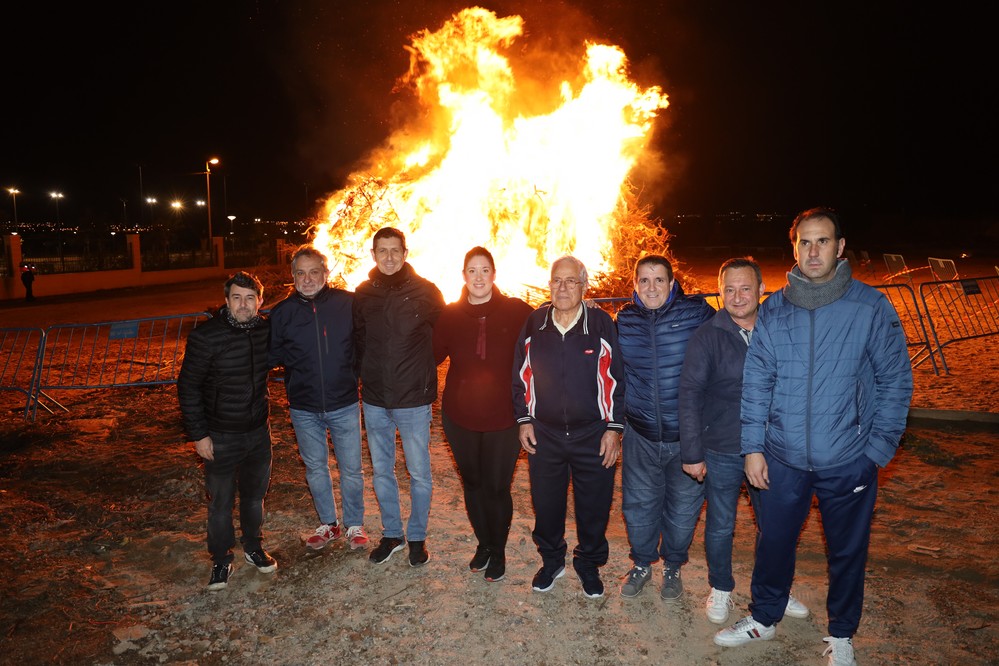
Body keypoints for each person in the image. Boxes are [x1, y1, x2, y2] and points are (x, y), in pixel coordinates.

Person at [714, 208, 912, 666]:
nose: (813, 250)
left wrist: (877, 451)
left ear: (840, 246)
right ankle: (764, 617)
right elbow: (757, 381)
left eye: (823, 241)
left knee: (846, 551)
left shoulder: (870, 306)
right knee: (774, 541)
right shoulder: (776, 308)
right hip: (782, 457)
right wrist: (753, 448)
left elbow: (895, 380)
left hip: (848, 458)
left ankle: (842, 634)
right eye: (805, 242)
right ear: (795, 248)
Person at [678, 258, 809, 624]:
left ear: (761, 290)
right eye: (729, 289)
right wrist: (692, 452)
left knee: (775, 525)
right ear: (719, 293)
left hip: (773, 448)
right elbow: (689, 394)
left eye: (745, 288)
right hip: (721, 447)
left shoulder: (779, 329)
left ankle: (776, 591)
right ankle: (721, 588)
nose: (737, 297)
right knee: (721, 523)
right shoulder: (708, 335)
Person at [513, 255, 625, 599]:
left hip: (593, 434)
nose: (562, 288)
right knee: (546, 505)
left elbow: (617, 379)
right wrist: (524, 419)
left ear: (584, 286)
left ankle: (588, 563)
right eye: (556, 281)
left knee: (594, 505)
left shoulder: (601, 323)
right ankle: (552, 561)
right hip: (544, 435)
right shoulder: (535, 323)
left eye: (571, 281)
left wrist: (614, 428)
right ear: (549, 285)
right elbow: (520, 375)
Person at [614, 255, 715, 600]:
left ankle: (673, 566)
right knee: (638, 507)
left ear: (673, 284)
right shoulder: (624, 320)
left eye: (659, 280)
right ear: (635, 285)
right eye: (644, 280)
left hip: (687, 437)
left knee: (683, 511)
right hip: (640, 434)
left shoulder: (698, 314)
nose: (652, 287)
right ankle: (642, 563)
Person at [433, 247, 533, 583]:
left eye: (485, 270)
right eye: (472, 270)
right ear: (463, 276)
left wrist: (585, 310)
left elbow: (551, 328)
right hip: (460, 416)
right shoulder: (449, 315)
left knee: (497, 487)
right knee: (473, 484)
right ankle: (484, 544)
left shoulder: (517, 310)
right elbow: (428, 355)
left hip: (503, 417)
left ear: (494, 274)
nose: (478, 277)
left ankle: (499, 550)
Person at [177, 271, 276, 591]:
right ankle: (221, 559)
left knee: (253, 498)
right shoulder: (206, 337)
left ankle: (253, 547)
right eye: (237, 297)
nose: (244, 304)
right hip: (220, 435)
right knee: (220, 502)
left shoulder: (265, 331)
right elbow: (188, 386)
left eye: (250, 298)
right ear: (226, 301)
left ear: (260, 302)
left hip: (257, 433)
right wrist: (199, 435)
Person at [354, 227, 445, 566]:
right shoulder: (363, 294)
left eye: (395, 250)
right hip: (376, 399)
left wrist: (420, 369)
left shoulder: (426, 291)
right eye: (382, 251)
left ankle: (417, 538)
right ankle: (392, 534)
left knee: (419, 472)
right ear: (373, 254)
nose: (389, 257)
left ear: (406, 253)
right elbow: (359, 339)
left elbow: (443, 336)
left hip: (413, 399)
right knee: (382, 471)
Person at [269, 245, 368, 552]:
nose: (308, 279)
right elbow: (272, 353)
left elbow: (362, 345)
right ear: (292, 276)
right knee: (315, 468)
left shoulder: (347, 304)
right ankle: (328, 524)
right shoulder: (282, 312)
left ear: (327, 273)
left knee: (351, 468)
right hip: (303, 406)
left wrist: (353, 374)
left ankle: (354, 525)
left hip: (344, 402)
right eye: (301, 273)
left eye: (314, 272)